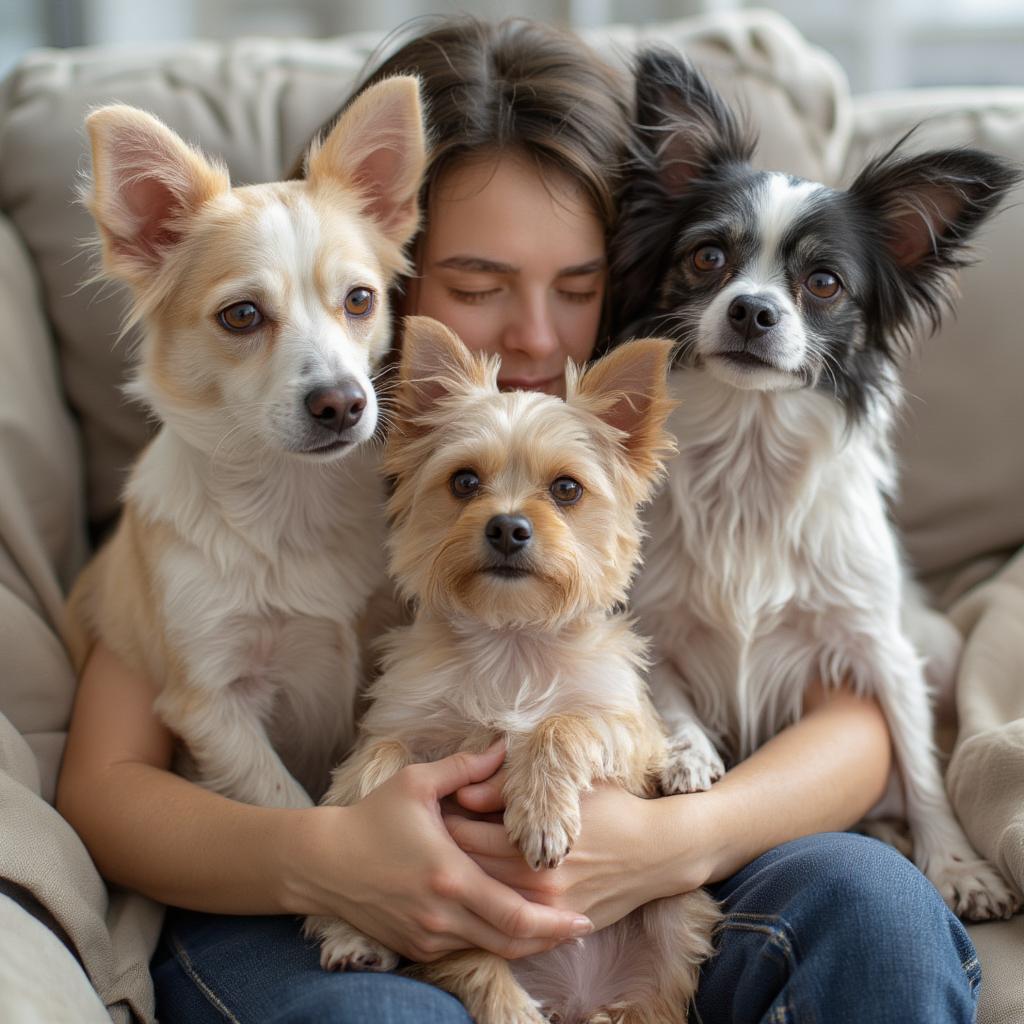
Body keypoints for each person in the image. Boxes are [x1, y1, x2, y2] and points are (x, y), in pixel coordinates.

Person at [55, 16, 980, 1024]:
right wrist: (323, 863)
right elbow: (106, 783)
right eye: (475, 287)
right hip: (300, 895)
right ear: (384, 260)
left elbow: (853, 709)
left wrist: (676, 842)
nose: (535, 335)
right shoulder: (254, 460)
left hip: (643, 866)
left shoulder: (667, 431)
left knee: (876, 914)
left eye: (577, 288)